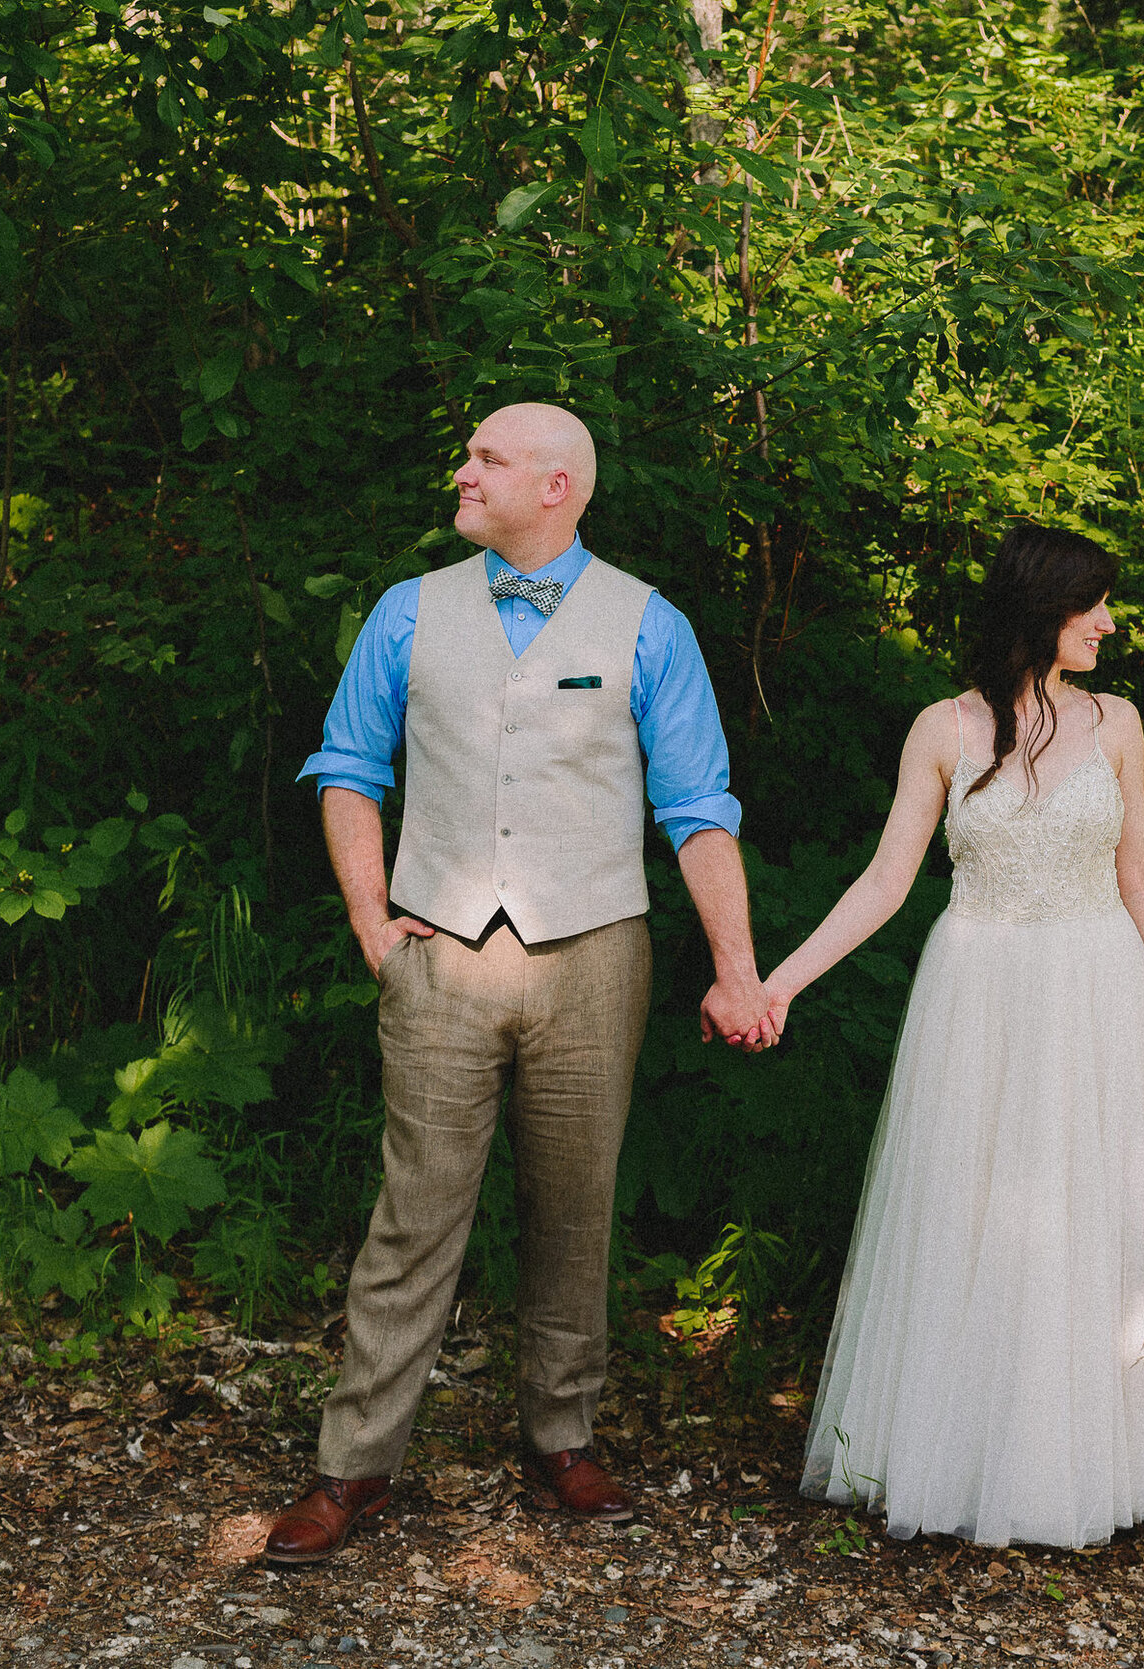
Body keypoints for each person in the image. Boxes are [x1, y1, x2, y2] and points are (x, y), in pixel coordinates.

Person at [267, 402, 774, 1564]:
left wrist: (735, 970)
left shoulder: (651, 624)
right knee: (413, 1216)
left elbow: (697, 810)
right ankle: (353, 1466)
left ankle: (560, 1432)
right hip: (438, 949)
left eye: (486, 457)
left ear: (555, 485)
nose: (462, 469)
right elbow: (348, 767)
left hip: (596, 950)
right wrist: (368, 924)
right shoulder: (408, 611)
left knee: (575, 1207)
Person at [763, 525, 1144, 1547]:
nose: (1111, 624)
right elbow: (887, 882)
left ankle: (1082, 1455)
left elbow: (1139, 872)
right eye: (1095, 606)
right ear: (1043, 609)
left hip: (1095, 984)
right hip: (976, 989)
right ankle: (959, 1450)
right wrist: (785, 980)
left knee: (1090, 1210)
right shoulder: (940, 728)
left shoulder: (1117, 722)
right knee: (970, 1205)